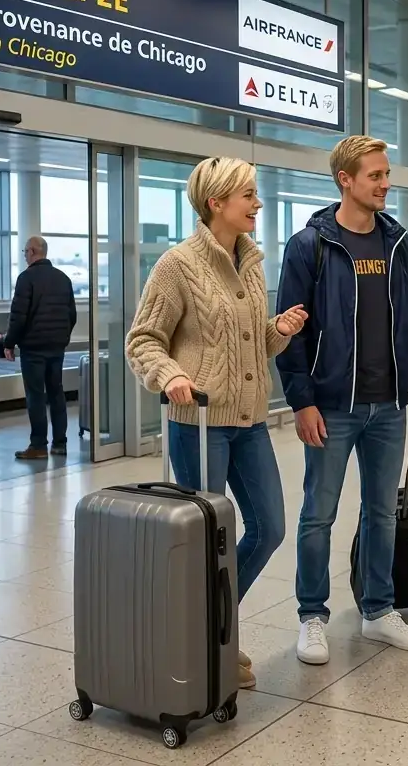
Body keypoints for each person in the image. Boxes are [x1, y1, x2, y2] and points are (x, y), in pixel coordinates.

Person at [126, 156, 307, 691]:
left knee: (268, 528)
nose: (257, 203)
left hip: (249, 422)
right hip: (198, 422)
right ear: (216, 204)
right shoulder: (177, 265)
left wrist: (280, 328)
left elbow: (251, 342)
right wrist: (170, 375)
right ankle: (208, 641)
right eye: (247, 195)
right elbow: (143, 340)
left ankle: (210, 629)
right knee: (207, 539)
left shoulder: (251, 261)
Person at [276, 135, 408, 666]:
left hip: (388, 405)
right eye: (375, 175)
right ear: (345, 179)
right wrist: (301, 400)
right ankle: (312, 616)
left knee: (381, 513)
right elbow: (291, 333)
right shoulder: (310, 246)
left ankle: (377, 610)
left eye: (386, 174)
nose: (385, 184)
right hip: (332, 406)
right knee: (318, 514)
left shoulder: (398, 243)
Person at [4, 236, 77, 460]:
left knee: (35, 395)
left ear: (34, 251)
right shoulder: (63, 278)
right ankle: (60, 443)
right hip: (56, 347)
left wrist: (9, 343)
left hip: (33, 348)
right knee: (56, 393)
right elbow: (71, 314)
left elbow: (19, 315)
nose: (24, 255)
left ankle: (38, 445)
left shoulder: (26, 279)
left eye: (25, 251)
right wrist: (62, 337)